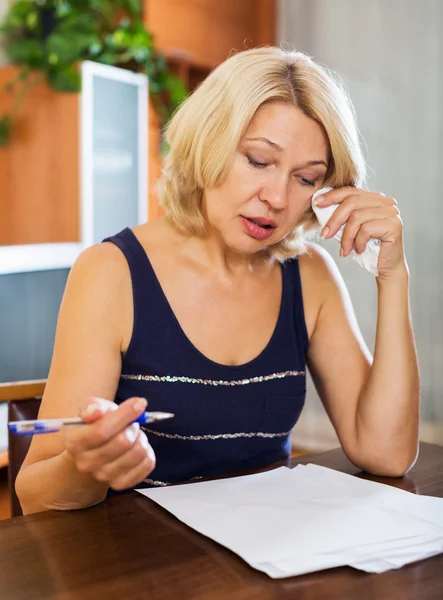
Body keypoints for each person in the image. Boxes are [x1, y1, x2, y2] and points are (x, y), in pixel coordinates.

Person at [16, 47, 419, 514]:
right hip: (146, 571)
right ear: (209, 140)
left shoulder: (309, 277)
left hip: (268, 563)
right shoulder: (112, 272)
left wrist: (393, 276)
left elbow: (386, 454)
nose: (276, 197)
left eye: (306, 179)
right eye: (258, 160)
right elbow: (36, 496)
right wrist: (87, 466)